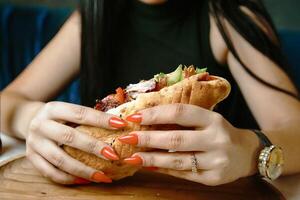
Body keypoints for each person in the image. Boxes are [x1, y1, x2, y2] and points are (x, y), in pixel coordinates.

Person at [1, 0, 300, 186]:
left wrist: (250, 151)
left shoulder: (230, 16)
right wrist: (34, 119)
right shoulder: (94, 16)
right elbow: (8, 102)